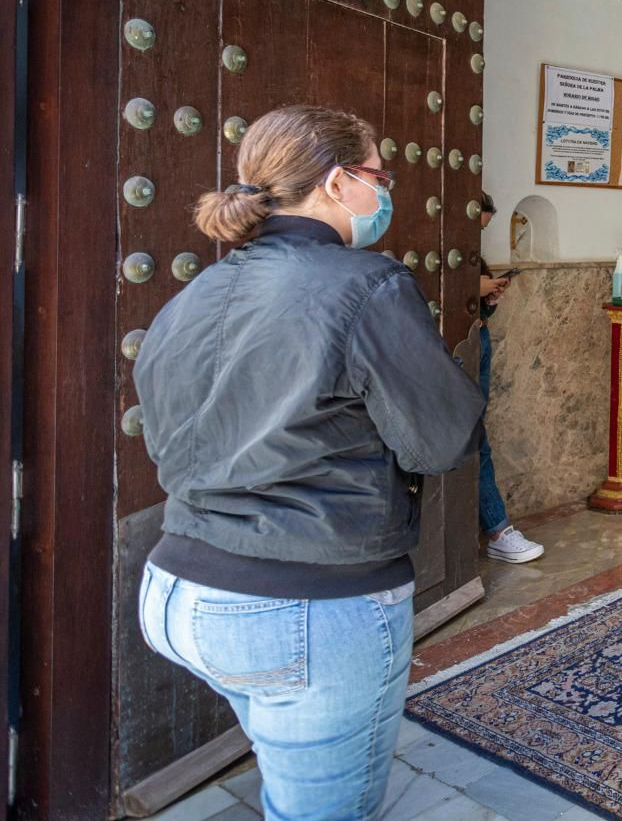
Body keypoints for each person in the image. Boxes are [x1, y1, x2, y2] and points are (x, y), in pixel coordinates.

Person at [133, 105, 486, 819]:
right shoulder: (367, 285)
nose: (386, 193)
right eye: (380, 176)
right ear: (336, 183)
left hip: (175, 589)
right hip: (303, 601)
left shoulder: (194, 293)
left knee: (282, 754)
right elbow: (441, 440)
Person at [476, 193, 544, 562]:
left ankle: (497, 528)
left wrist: (489, 296)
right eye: (478, 224)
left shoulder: (472, 257)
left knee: (476, 435)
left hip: (477, 341)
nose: (478, 234)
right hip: (457, 352)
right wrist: (475, 289)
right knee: (474, 439)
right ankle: (498, 529)